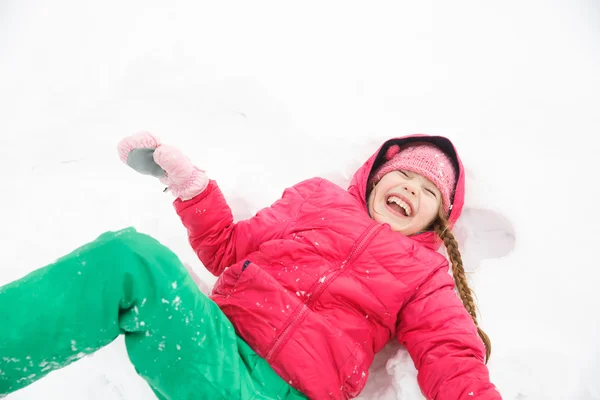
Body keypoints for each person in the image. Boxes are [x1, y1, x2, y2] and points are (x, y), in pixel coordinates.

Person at [0, 132, 501, 400]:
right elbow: (226, 249)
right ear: (376, 179)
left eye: (430, 190)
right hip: (214, 350)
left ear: (440, 218)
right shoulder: (317, 200)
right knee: (130, 257)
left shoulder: (426, 275)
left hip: (289, 393)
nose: (413, 188)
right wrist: (193, 187)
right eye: (405, 175)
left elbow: (450, 354)